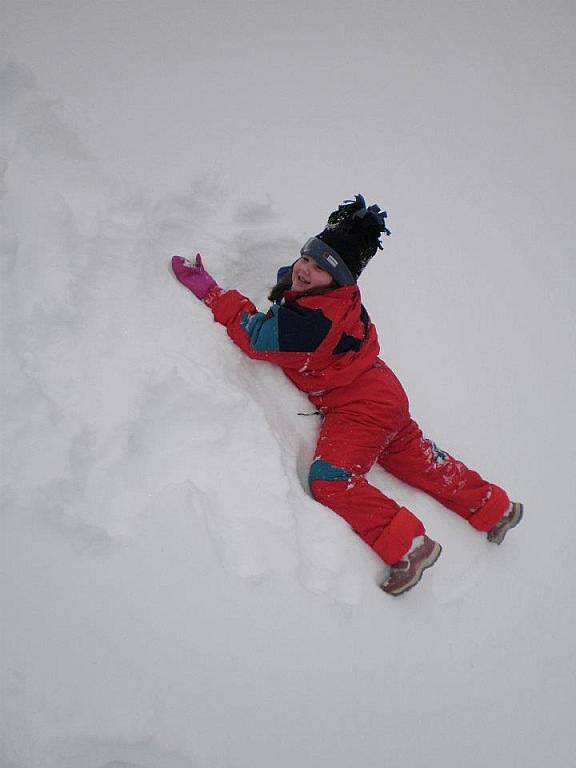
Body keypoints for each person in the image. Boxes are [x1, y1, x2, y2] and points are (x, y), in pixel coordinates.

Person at [171, 194, 523, 596]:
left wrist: (214, 294)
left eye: (319, 269)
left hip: (360, 407)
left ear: (338, 281)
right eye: (307, 257)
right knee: (417, 460)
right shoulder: (340, 297)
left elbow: (256, 336)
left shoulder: (309, 325)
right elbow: (305, 286)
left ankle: (410, 546)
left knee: (330, 479)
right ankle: (495, 508)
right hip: (382, 390)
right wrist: (300, 279)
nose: (304, 270)